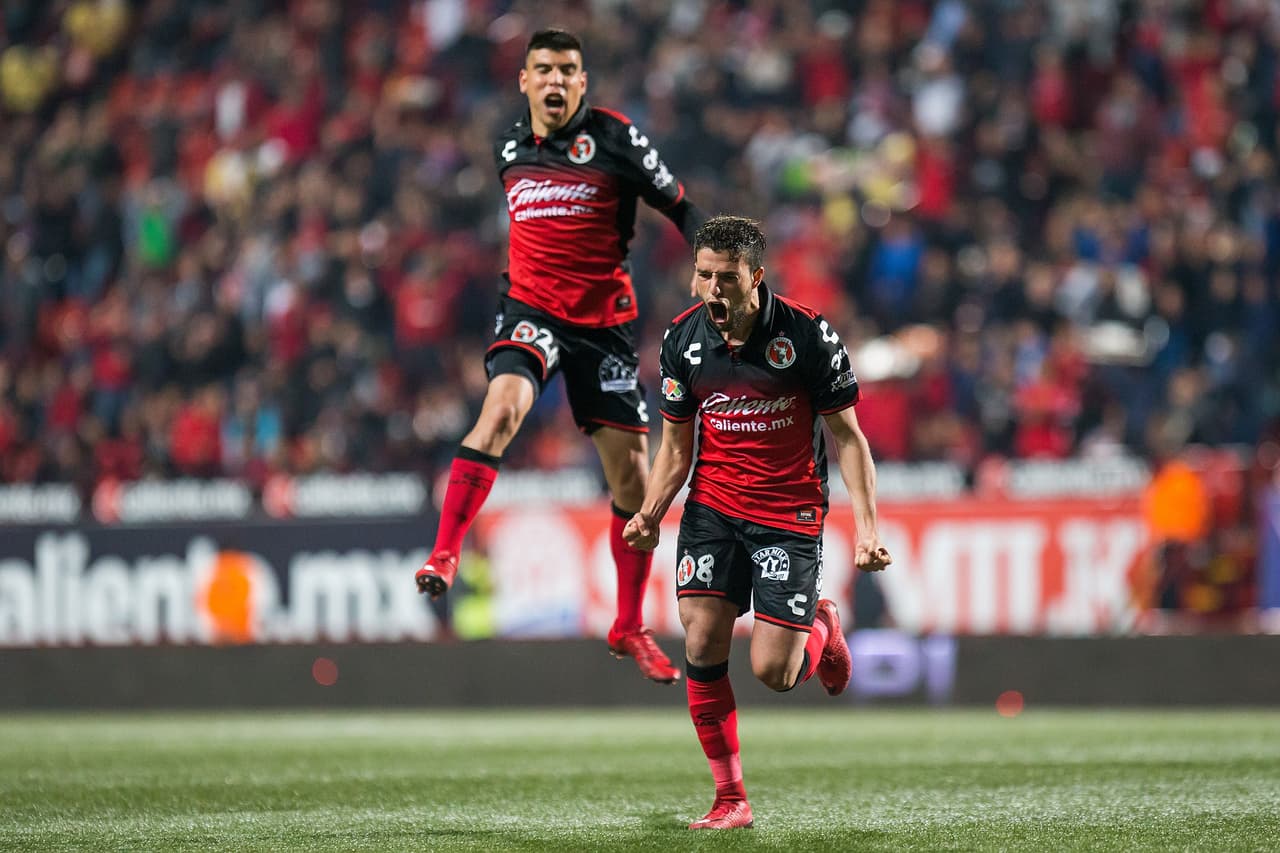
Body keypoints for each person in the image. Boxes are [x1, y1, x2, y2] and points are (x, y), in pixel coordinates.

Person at [415, 29, 705, 684]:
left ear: (582, 81)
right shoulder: (508, 144)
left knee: (632, 480)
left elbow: (681, 208)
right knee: (502, 409)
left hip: (603, 327)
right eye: (542, 69)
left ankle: (628, 623)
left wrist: (715, 262)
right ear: (524, 81)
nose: (554, 80)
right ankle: (444, 554)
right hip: (529, 311)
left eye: (567, 70)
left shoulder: (616, 138)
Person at [623, 215, 892, 829]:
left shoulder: (807, 336)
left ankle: (822, 621)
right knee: (700, 637)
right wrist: (649, 512)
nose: (713, 290)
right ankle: (730, 798)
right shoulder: (681, 342)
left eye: (727, 278)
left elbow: (847, 438)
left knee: (775, 673)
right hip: (713, 508)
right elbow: (674, 448)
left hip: (787, 513)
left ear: (756, 277)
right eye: (703, 276)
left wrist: (868, 528)